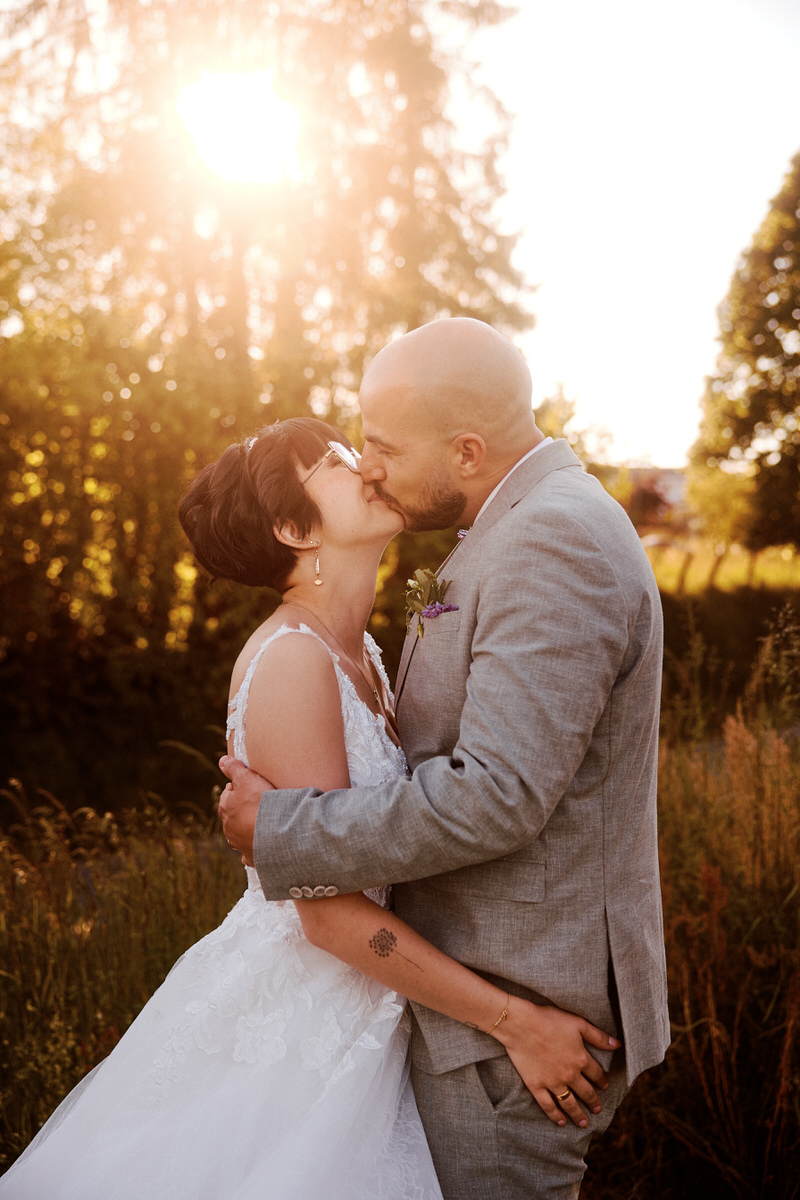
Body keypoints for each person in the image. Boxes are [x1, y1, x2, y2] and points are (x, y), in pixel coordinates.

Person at [0, 417, 618, 1200]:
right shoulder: (293, 661)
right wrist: (514, 1022)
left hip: (377, 1003)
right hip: (308, 1019)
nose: (365, 466)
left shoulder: (361, 653)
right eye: (333, 461)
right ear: (294, 528)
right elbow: (326, 915)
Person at [218, 319, 671, 1199]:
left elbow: (496, 796)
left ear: (467, 451)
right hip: (468, 1011)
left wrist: (284, 828)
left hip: (519, 1014)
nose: (370, 466)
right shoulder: (516, 525)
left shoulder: (551, 540)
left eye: (381, 446)